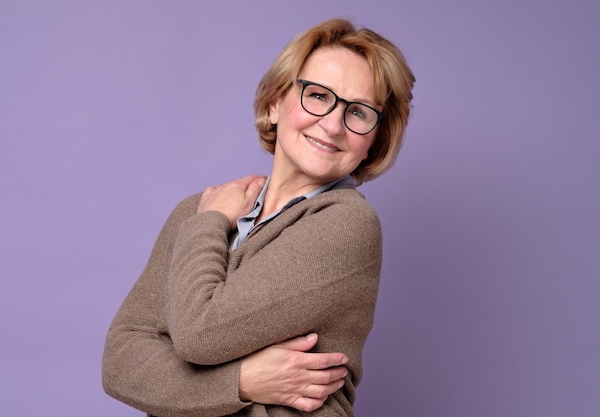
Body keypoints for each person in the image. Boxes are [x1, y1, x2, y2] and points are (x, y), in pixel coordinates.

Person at [102, 18, 414, 417]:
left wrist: (209, 223)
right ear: (274, 104)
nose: (333, 124)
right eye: (318, 96)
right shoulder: (200, 211)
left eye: (359, 112)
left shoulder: (347, 224)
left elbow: (200, 333)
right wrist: (244, 381)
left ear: (373, 140)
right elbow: (120, 361)